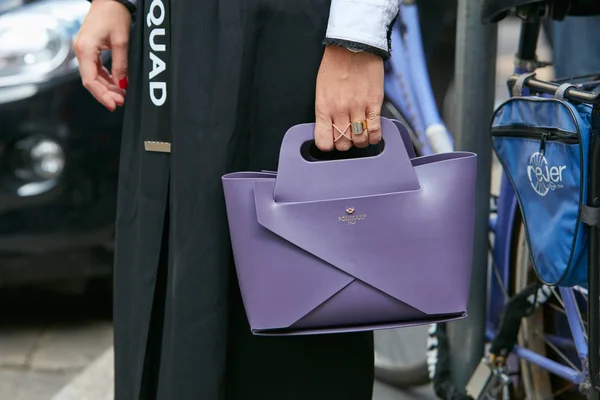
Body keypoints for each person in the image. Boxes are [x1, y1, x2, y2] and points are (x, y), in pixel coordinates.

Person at [74, 0, 398, 398]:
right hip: (169, 33)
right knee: (172, 292)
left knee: (297, 297)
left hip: (289, 36)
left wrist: (356, 40)